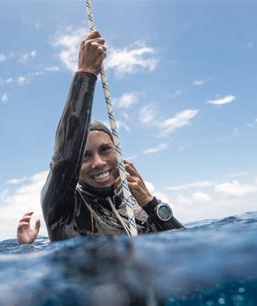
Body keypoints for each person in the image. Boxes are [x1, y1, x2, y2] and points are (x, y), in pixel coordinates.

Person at [40, 30, 184, 243]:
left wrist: (150, 203)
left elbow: (184, 246)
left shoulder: (137, 207)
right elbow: (64, 159)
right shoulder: (64, 208)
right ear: (75, 168)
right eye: (85, 156)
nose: (98, 163)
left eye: (105, 150)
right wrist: (86, 73)